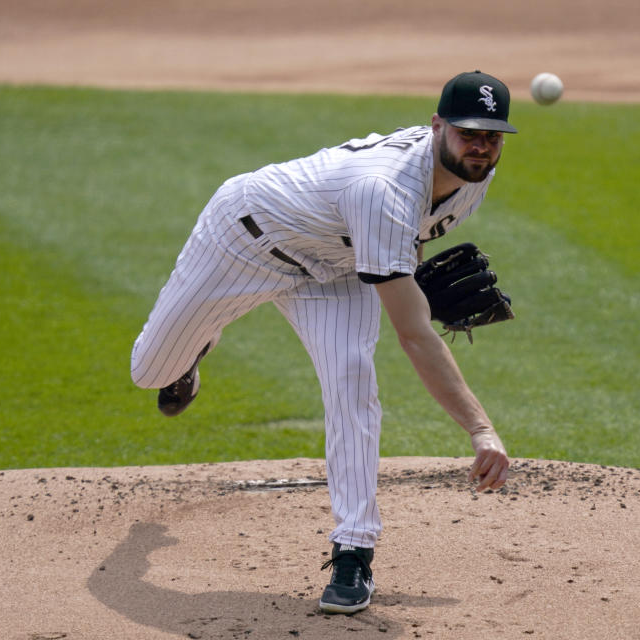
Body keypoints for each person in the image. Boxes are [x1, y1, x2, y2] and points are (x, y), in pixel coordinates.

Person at [130, 70, 515, 614]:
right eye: (467, 133)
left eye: (492, 135)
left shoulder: (475, 175)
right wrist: (480, 428)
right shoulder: (382, 188)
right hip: (245, 239)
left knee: (352, 379)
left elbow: (407, 239)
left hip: (337, 269)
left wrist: (403, 270)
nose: (480, 146)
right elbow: (413, 334)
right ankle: (190, 353)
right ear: (437, 127)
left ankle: (354, 550)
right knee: (147, 370)